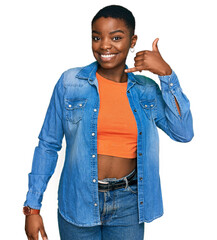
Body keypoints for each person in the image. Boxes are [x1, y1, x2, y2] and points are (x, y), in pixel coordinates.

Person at [23, 4, 194, 240]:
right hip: (78, 200)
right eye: (97, 37)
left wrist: (167, 75)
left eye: (116, 37)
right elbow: (48, 144)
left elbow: (183, 133)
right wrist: (32, 207)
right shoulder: (70, 83)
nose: (104, 45)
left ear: (132, 41)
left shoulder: (146, 91)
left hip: (129, 204)